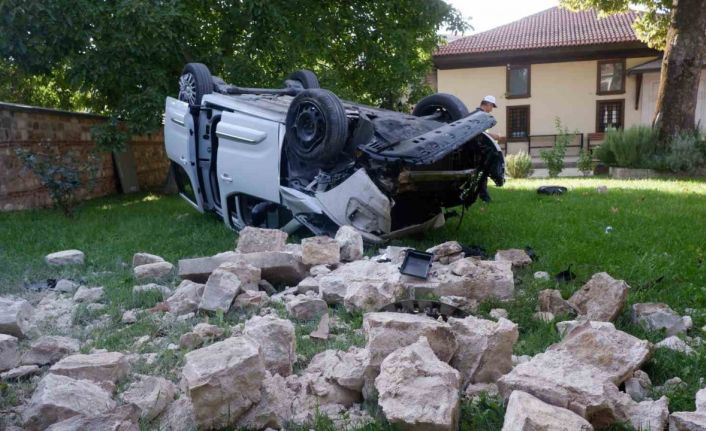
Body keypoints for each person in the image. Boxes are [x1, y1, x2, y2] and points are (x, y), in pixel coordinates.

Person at [474, 95, 501, 202]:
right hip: (478, 150)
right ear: (488, 104)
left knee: (481, 174)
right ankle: (485, 198)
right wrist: (496, 137)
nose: (492, 109)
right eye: (492, 106)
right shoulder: (480, 115)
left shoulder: (476, 114)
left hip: (478, 149)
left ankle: (483, 197)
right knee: (482, 174)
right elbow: (481, 134)